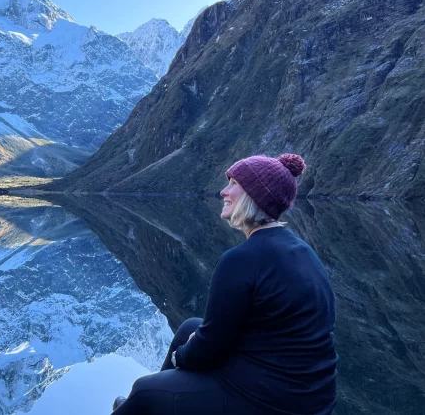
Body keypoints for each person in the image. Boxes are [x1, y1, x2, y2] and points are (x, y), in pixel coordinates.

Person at [112, 153, 337, 415]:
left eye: (233, 184)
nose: (223, 191)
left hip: (271, 402)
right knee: (190, 328)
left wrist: (180, 357)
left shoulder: (241, 260)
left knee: (145, 390)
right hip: (307, 393)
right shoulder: (301, 251)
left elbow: (209, 349)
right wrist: (196, 344)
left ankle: (142, 405)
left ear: (253, 196)